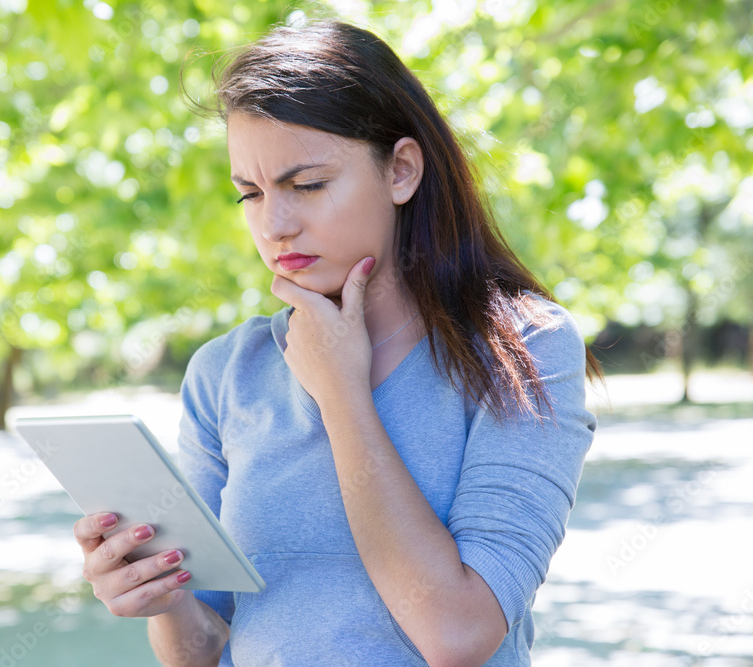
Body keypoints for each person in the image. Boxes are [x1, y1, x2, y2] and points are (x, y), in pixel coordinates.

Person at [75, 17, 604, 667]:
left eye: (307, 184)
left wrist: (341, 392)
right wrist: (162, 596)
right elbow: (202, 650)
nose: (275, 222)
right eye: (250, 193)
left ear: (402, 170)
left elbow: (458, 633)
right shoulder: (226, 372)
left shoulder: (524, 348)